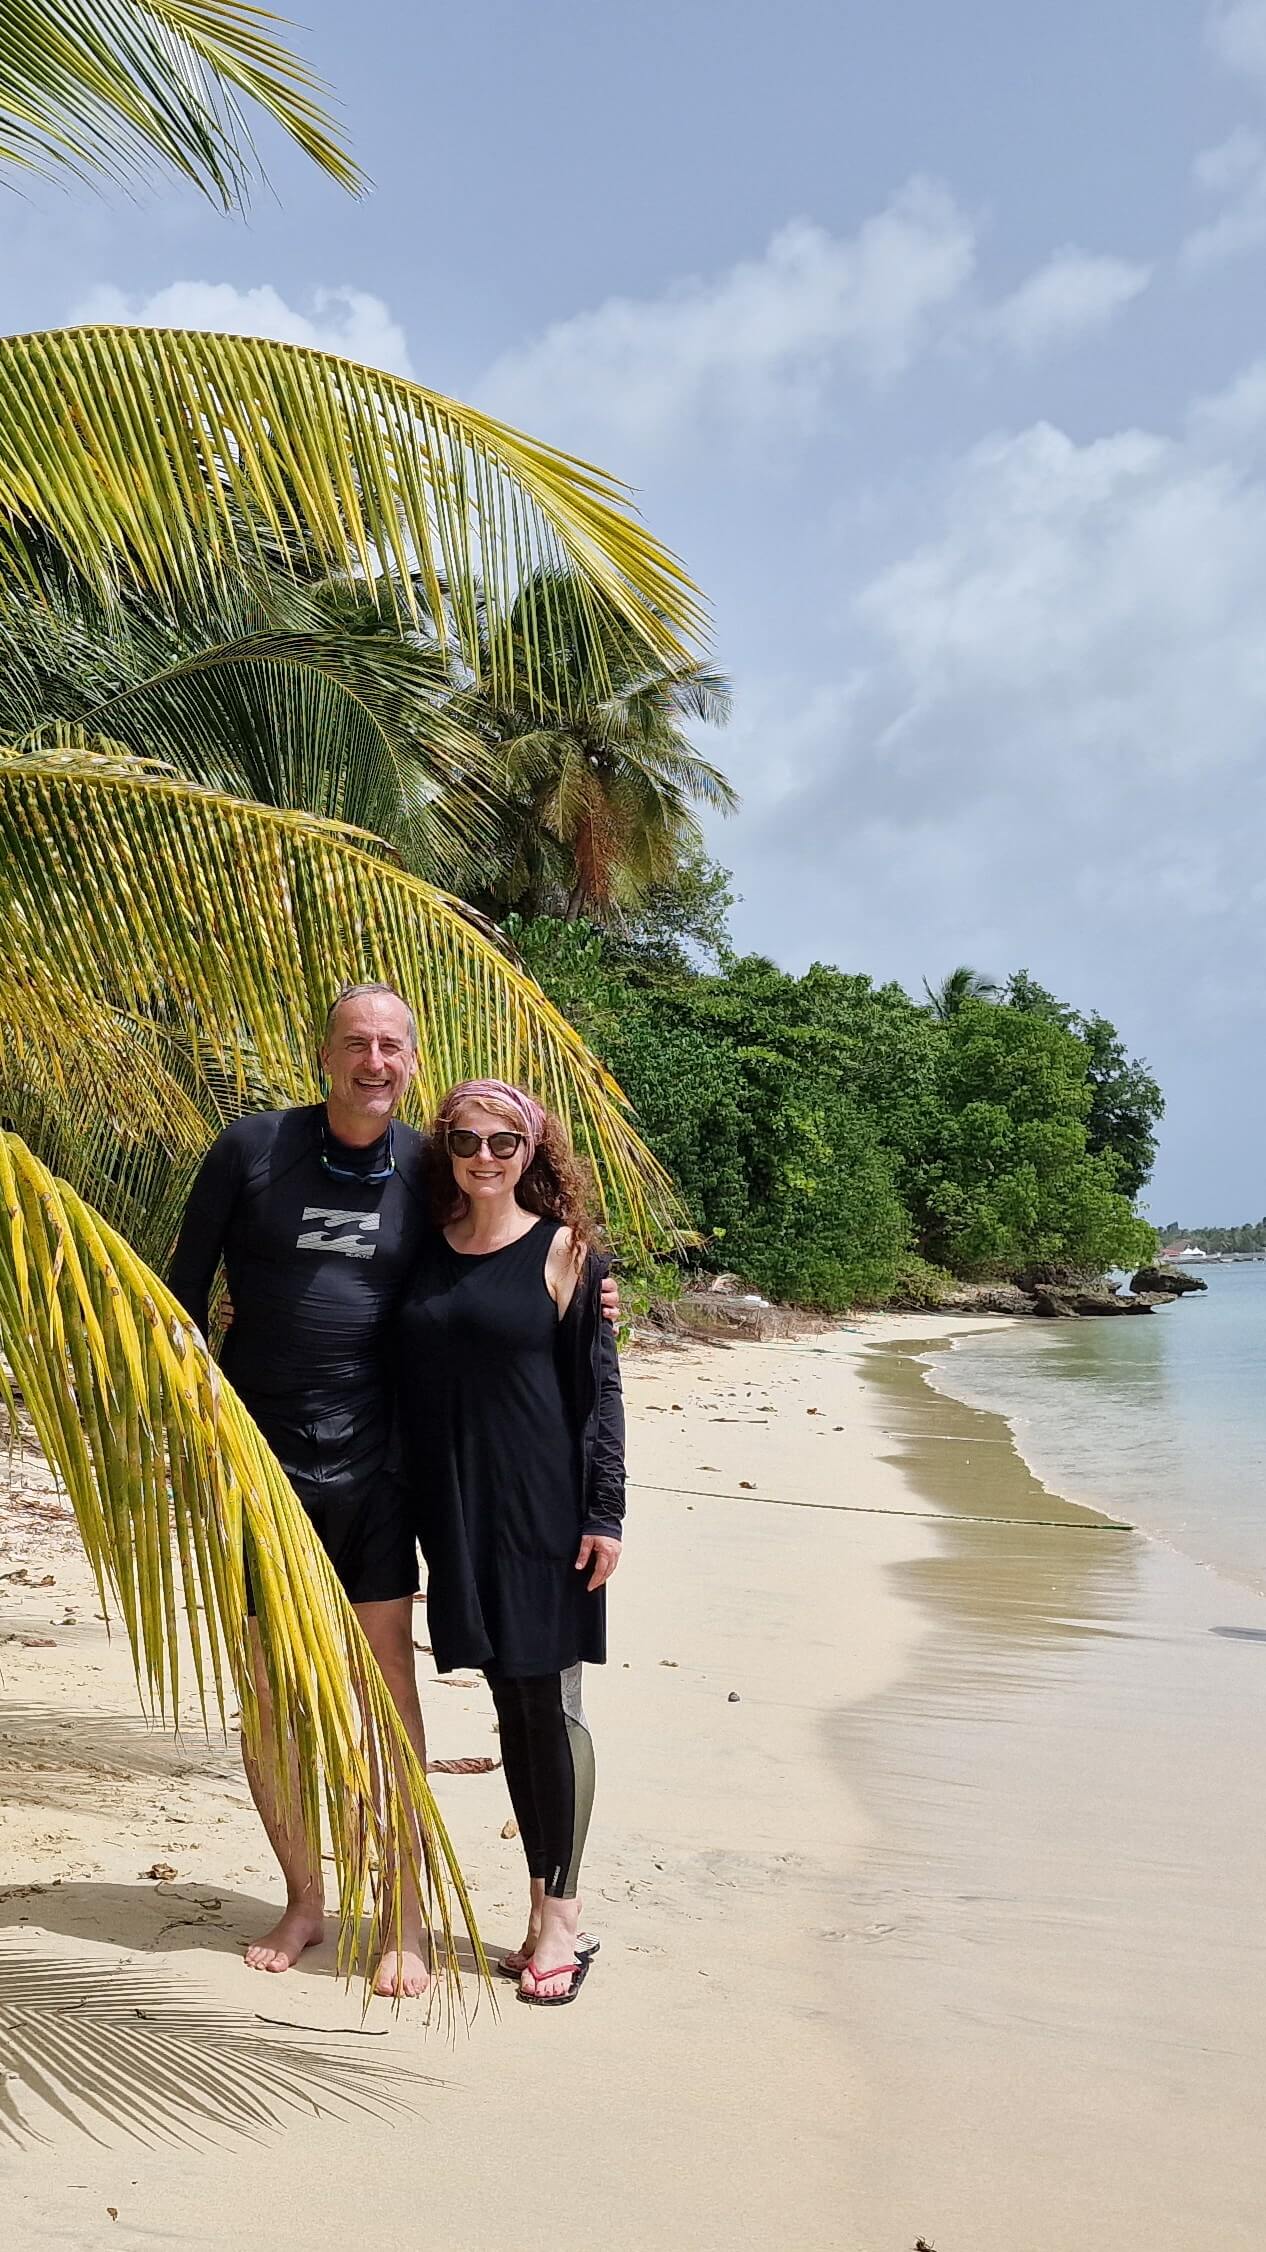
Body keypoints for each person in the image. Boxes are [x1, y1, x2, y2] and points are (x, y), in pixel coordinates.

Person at [394, 1079, 625, 2007]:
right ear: (444, 1150)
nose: (484, 1156)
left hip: (541, 1509)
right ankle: (538, 1912)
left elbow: (599, 1394)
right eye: (464, 1140)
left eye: (504, 1141)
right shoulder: (423, 1254)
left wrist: (605, 1513)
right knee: (507, 1704)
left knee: (546, 1707)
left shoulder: (569, 1253)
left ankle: (558, 1920)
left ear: (535, 1153)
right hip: (454, 1510)